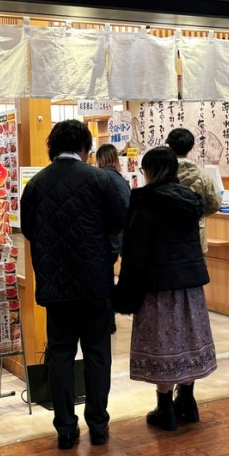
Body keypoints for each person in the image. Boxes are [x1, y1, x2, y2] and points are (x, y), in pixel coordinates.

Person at [20, 120, 128, 450]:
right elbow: (117, 222)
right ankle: (98, 424)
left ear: (52, 147)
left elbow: (27, 229)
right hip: (95, 282)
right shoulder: (100, 179)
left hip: (55, 287)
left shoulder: (36, 184)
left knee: (62, 354)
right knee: (98, 354)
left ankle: (65, 428)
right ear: (86, 148)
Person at [114, 146, 217, 431]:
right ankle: (188, 401)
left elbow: (136, 251)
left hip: (157, 286)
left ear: (149, 172)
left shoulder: (144, 203)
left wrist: (125, 291)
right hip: (190, 284)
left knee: (164, 344)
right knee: (187, 341)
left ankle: (165, 409)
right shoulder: (190, 201)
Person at [165, 127, 222, 253]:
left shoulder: (161, 175)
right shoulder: (203, 175)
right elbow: (215, 203)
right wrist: (198, 213)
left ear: (169, 146)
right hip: (196, 237)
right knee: (197, 271)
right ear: (191, 147)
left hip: (168, 240)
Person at [95, 143, 131, 334]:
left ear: (100, 159)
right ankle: (109, 320)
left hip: (106, 239)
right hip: (118, 239)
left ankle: (107, 320)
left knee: (105, 280)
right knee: (108, 278)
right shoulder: (121, 180)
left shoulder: (101, 179)